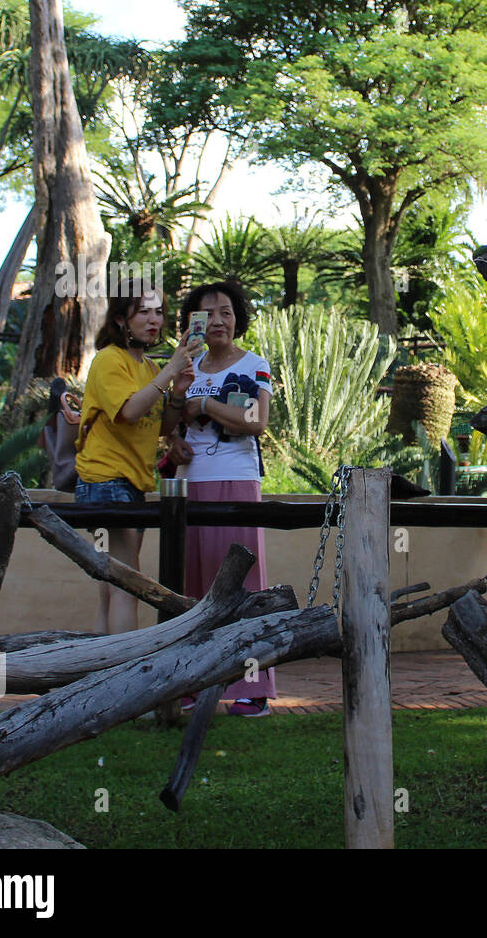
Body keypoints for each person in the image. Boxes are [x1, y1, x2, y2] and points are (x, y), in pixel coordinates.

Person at [173, 280, 275, 717]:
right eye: (207, 313)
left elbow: (256, 419)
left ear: (238, 319)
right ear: (194, 321)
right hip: (190, 483)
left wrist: (206, 405)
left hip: (237, 480)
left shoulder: (255, 365)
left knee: (244, 584)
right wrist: (176, 419)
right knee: (193, 586)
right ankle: (193, 683)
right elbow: (170, 423)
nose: (218, 320)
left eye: (227, 312)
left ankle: (254, 688)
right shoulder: (186, 365)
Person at [75, 287, 195, 634]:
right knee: (127, 586)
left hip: (132, 484)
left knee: (112, 586)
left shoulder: (150, 367)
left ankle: (97, 671)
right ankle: (124, 671)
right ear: (119, 319)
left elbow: (160, 427)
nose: (154, 320)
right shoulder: (109, 359)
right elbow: (128, 412)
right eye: (143, 312)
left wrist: (177, 393)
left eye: (158, 312)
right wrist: (169, 370)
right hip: (105, 483)